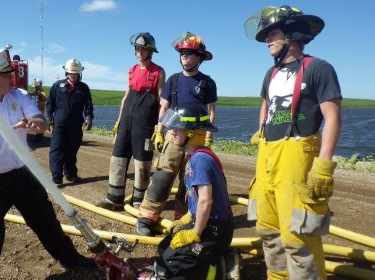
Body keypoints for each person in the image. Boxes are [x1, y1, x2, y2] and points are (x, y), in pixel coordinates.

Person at [0, 48, 95, 279]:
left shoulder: (18, 96)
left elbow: (40, 120)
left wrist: (36, 124)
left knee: (46, 220)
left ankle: (71, 259)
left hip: (22, 174)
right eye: (6, 75)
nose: (11, 78)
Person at [244, 6, 342, 280]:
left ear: (290, 34)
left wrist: (323, 165)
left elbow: (333, 118)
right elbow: (266, 104)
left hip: (296, 159)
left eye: (272, 33)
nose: (267, 40)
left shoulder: (319, 69)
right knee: (268, 231)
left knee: (298, 236)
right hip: (267, 158)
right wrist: (261, 128)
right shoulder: (271, 74)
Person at [136, 32, 218, 236]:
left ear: (199, 58)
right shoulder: (173, 80)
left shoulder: (207, 83)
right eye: (182, 53)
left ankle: (184, 221)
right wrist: (159, 131)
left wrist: (208, 139)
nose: (184, 57)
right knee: (163, 175)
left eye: (189, 54)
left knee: (190, 181)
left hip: (198, 137)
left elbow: (211, 111)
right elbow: (164, 107)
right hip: (174, 134)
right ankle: (147, 217)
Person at [139, 102, 233, 280]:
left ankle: (219, 268)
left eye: (178, 128)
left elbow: (206, 201)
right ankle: (211, 259)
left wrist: (195, 232)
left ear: (192, 131)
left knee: (173, 267)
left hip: (215, 231)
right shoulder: (195, 157)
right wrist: (186, 219)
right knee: (165, 248)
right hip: (205, 223)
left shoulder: (200, 160)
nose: (172, 131)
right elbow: (196, 200)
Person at [96, 32, 165, 210]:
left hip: (146, 123)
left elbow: (162, 102)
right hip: (127, 119)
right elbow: (126, 96)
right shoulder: (132, 69)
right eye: (137, 48)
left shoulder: (158, 71)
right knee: (118, 156)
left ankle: (139, 200)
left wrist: (159, 129)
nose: (139, 52)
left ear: (150, 51)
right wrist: (119, 121)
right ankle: (114, 197)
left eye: (143, 49)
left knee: (142, 160)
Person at [46, 58, 94, 185]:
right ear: (66, 73)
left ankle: (71, 174)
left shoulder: (83, 88)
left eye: (76, 73)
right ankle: (56, 176)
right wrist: (49, 117)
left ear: (79, 73)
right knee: (57, 150)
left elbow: (88, 105)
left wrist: (89, 117)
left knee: (72, 150)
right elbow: (50, 103)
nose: (73, 75)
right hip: (60, 124)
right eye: (71, 73)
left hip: (76, 124)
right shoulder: (57, 86)